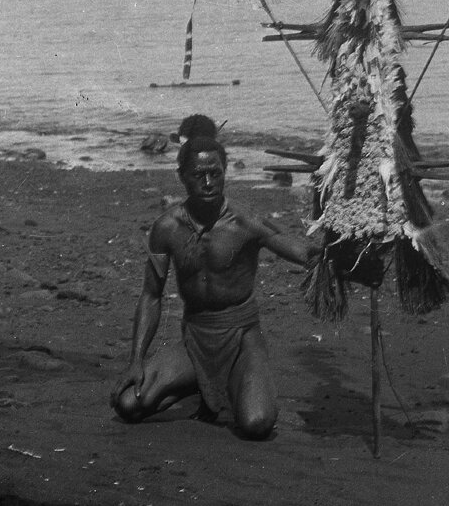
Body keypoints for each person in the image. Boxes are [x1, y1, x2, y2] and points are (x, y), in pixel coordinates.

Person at [110, 130, 316, 439]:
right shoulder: (166, 227)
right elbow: (151, 295)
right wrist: (136, 361)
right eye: (198, 175)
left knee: (255, 424)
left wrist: (351, 249)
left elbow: (305, 254)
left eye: (215, 173)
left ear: (225, 172)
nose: (208, 182)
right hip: (196, 340)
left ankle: (239, 379)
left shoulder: (246, 222)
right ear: (182, 177)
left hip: (242, 337)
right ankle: (197, 383)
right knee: (128, 405)